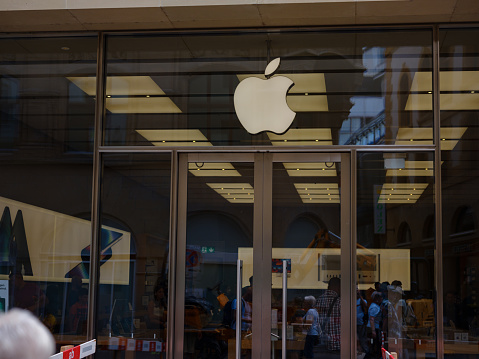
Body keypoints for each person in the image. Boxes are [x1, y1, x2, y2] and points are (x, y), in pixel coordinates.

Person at [316, 277, 341, 358]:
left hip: (322, 342)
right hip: (337, 343)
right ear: (338, 287)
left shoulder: (319, 299)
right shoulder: (341, 301)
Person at [366, 291, 383, 359]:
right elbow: (372, 319)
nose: (382, 299)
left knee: (374, 344)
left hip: (374, 327)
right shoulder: (374, 307)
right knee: (374, 344)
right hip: (374, 328)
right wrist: (373, 331)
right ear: (377, 299)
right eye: (381, 298)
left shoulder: (375, 306)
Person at [357, 288, 369, 356]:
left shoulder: (362, 301)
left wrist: (360, 296)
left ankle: (366, 352)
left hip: (360, 323)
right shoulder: (352, 300)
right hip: (353, 323)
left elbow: (366, 305)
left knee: (362, 338)